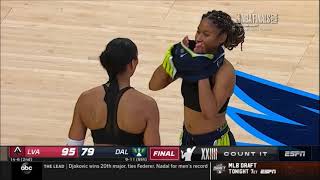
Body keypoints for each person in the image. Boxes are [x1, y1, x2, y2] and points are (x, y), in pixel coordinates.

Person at [149, 10, 245, 146]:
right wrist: (173, 58)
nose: (199, 38)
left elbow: (209, 113)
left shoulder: (225, 71)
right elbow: (154, 85)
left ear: (221, 38)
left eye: (206, 34)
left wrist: (200, 69)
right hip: (187, 139)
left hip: (215, 142)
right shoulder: (191, 58)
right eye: (198, 31)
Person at [67, 38, 160, 146]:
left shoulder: (85, 99)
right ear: (133, 64)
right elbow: (154, 156)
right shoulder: (147, 105)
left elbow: (72, 148)